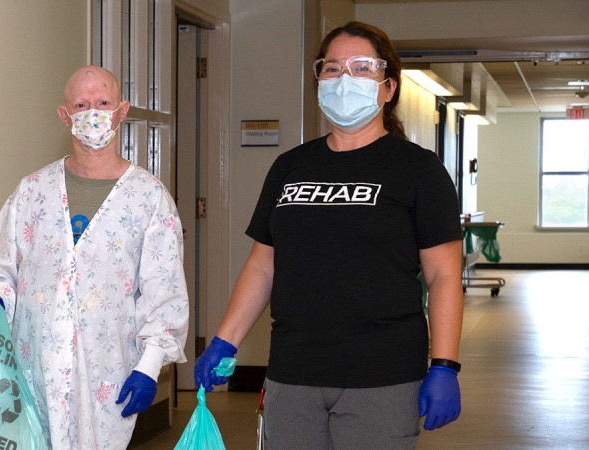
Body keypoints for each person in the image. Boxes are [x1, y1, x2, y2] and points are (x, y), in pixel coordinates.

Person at [194, 21, 463, 448]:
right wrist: (225, 341)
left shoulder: (418, 169)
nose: (344, 79)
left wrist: (444, 364)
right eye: (333, 68)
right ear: (319, 80)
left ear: (389, 88)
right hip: (293, 371)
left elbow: (444, 275)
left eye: (362, 68)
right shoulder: (290, 167)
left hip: (382, 375)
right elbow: (263, 265)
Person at [0, 65, 188, 449]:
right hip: (30, 370)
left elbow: (164, 290)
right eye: (81, 105)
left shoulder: (149, 198)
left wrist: (149, 366)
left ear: (122, 111)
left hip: (107, 374)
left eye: (103, 103)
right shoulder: (33, 191)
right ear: (65, 116)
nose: (93, 113)